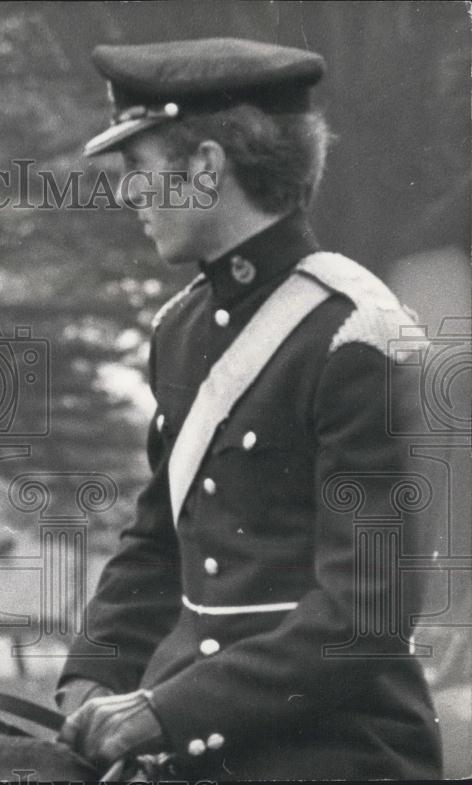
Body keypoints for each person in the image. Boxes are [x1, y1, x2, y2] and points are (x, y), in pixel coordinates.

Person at [56, 39, 442, 779]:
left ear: (205, 168)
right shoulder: (180, 328)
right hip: (192, 749)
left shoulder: (360, 334)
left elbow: (364, 619)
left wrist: (163, 710)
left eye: (137, 167)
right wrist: (90, 679)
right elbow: (156, 545)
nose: (125, 193)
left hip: (334, 752)